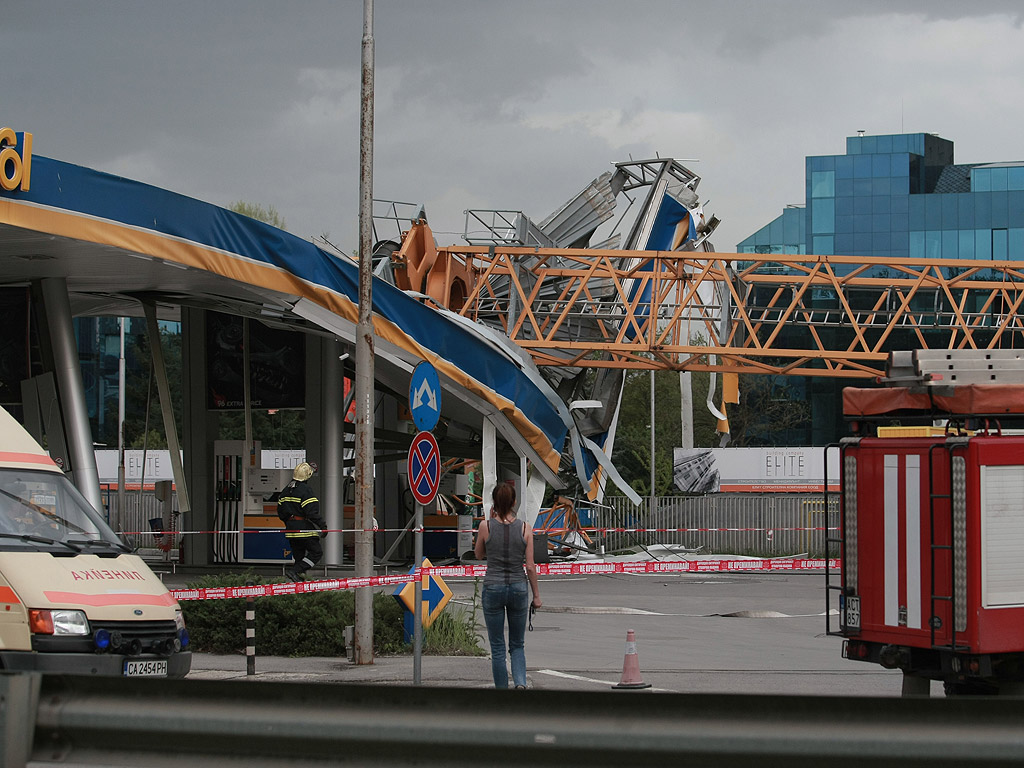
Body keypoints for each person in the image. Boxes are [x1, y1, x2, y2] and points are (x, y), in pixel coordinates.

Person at [474, 482, 542, 689]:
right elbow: (530, 567)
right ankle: (520, 684)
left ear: (494, 502)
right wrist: (536, 596)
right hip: (519, 588)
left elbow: (478, 554)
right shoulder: (525, 528)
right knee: (517, 644)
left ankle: (502, 692)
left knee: (497, 647)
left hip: (493, 587)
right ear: (514, 502)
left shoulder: (485, 526)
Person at [277, 462, 327, 582]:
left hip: (290, 529)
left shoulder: (285, 490)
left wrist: (290, 522)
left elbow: (281, 513)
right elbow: (312, 513)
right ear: (308, 475)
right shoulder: (305, 490)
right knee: (316, 553)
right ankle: (295, 571)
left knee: (299, 558)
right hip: (303, 529)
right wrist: (322, 526)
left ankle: (299, 583)